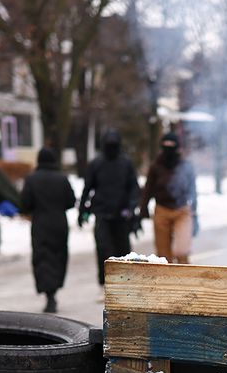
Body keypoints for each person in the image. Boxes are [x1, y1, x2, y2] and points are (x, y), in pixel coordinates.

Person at [79, 128, 140, 298]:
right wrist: (82, 210)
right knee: (103, 250)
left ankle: (125, 285)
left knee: (123, 251)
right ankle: (104, 284)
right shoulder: (96, 164)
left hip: (121, 215)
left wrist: (131, 207)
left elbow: (134, 188)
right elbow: (87, 188)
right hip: (102, 214)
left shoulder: (126, 163)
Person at [19, 147, 76, 313]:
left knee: (43, 257)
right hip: (59, 223)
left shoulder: (31, 179)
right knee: (59, 256)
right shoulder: (62, 179)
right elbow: (71, 201)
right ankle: (55, 289)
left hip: (41, 224)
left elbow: (25, 204)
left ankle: (49, 294)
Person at [140, 132, 198, 264]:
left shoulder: (185, 166)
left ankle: (185, 282)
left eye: (172, 145)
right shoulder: (155, 166)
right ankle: (166, 283)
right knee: (163, 256)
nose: (169, 149)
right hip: (162, 210)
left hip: (182, 211)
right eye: (166, 145)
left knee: (182, 251)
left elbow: (193, 190)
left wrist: (194, 213)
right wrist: (143, 208)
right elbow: (148, 189)